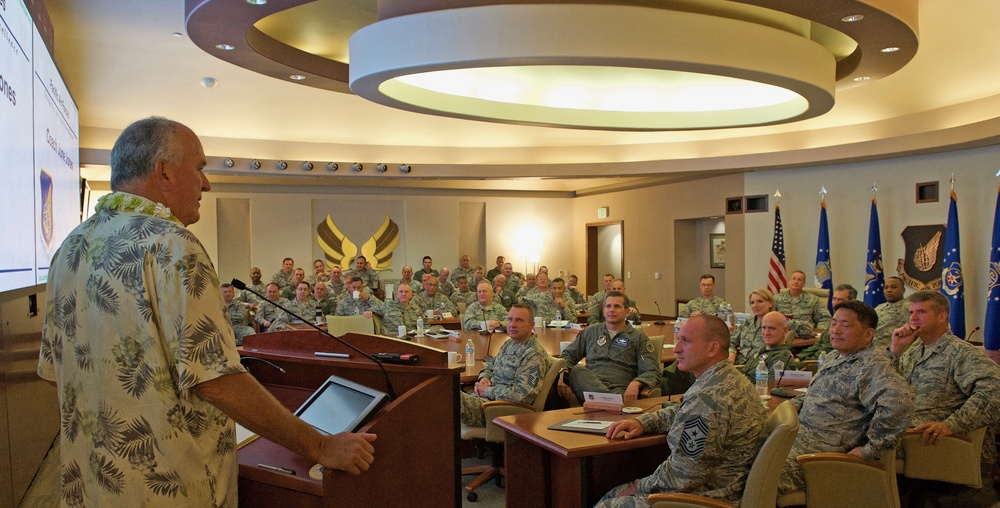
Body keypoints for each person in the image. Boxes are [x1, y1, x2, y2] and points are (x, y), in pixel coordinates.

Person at [37, 117, 375, 507]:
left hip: (92, 484)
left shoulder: (70, 248)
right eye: (199, 168)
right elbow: (215, 380)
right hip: (167, 489)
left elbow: (53, 371)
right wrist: (321, 446)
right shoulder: (172, 246)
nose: (207, 183)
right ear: (164, 171)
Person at [595, 316, 767, 507]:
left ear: (712, 348)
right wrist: (644, 422)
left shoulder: (708, 398)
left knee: (609, 501)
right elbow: (683, 410)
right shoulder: (728, 379)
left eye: (686, 341)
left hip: (707, 498)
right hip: (723, 488)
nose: (676, 348)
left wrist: (640, 486)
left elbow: (684, 475)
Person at [777, 300, 913, 495]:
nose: (836, 330)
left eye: (845, 325)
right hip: (795, 442)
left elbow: (901, 404)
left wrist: (871, 450)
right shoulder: (835, 356)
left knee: (750, 476)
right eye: (833, 323)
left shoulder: (872, 365)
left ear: (868, 334)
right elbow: (815, 398)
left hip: (821, 459)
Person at [889, 291, 1000, 480]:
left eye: (922, 312)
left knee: (867, 445)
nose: (913, 318)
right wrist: (895, 352)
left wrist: (953, 424)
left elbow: (994, 390)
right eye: (911, 313)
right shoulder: (912, 351)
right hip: (908, 431)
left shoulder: (960, 352)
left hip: (941, 440)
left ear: (942, 316)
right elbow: (889, 390)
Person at [558, 291, 661, 405]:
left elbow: (651, 371)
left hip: (620, 390)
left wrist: (636, 384)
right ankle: (611, 403)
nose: (612, 310)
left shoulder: (638, 338)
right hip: (589, 386)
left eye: (617, 306)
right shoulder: (590, 332)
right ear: (604, 311)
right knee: (577, 370)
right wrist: (563, 372)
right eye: (608, 306)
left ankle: (604, 403)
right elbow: (568, 355)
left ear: (627, 312)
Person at [459, 304, 551, 427]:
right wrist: (484, 378)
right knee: (442, 392)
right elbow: (491, 362)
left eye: (519, 320)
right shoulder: (510, 343)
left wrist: (488, 391)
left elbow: (522, 395)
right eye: (510, 319)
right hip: (486, 400)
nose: (512, 325)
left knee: (446, 396)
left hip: (498, 411)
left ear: (532, 325)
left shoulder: (533, 355)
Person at [796, 284, 855, 361]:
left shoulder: (850, 324)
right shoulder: (835, 320)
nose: (835, 303)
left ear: (852, 301)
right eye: (834, 299)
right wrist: (798, 357)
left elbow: (827, 350)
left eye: (840, 300)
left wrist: (801, 363)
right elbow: (819, 344)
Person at [737, 311, 801, 383]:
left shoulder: (781, 357)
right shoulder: (765, 349)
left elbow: (769, 387)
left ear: (785, 331)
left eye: (771, 328)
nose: (766, 333)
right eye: (764, 328)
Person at [773, 270, 831, 339]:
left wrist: (819, 336)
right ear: (789, 282)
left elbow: (825, 318)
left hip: (806, 337)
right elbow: (770, 318)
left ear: (804, 283)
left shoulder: (813, 299)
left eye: (799, 280)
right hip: (782, 336)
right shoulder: (777, 298)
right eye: (794, 279)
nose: (796, 282)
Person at [728, 288, 774, 364]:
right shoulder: (748, 322)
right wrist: (732, 353)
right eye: (752, 303)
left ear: (770, 303)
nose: (755, 306)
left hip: (760, 367)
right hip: (738, 364)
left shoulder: (776, 323)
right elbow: (731, 341)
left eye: (760, 301)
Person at [873, 276, 909, 349]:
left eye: (893, 287)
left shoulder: (910, 307)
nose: (889, 290)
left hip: (892, 351)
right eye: (886, 287)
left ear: (903, 290)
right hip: (871, 349)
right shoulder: (878, 308)